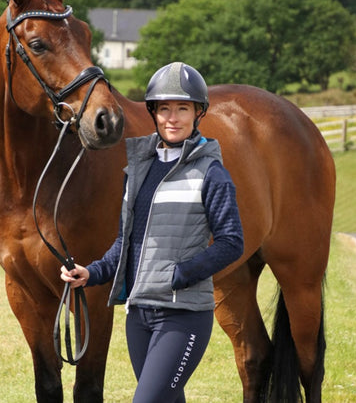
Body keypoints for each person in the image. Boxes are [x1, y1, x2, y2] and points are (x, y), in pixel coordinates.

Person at [61, 62, 244, 403]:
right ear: (154, 114)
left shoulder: (212, 173)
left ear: (198, 113)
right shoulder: (137, 171)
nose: (172, 118)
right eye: (164, 109)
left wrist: (182, 273)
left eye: (182, 109)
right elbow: (125, 242)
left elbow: (232, 243)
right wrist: (92, 272)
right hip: (139, 314)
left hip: (184, 315)